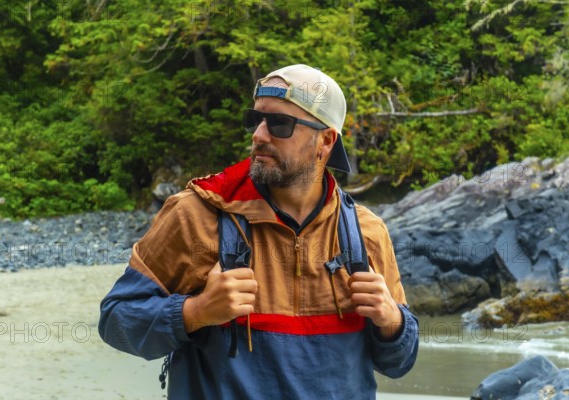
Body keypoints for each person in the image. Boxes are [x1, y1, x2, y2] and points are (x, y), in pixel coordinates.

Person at [99, 64, 419, 399]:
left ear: (325, 141)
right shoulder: (195, 214)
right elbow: (115, 321)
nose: (259, 135)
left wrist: (392, 320)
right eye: (256, 120)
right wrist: (196, 312)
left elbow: (399, 362)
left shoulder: (365, 232)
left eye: (280, 124)